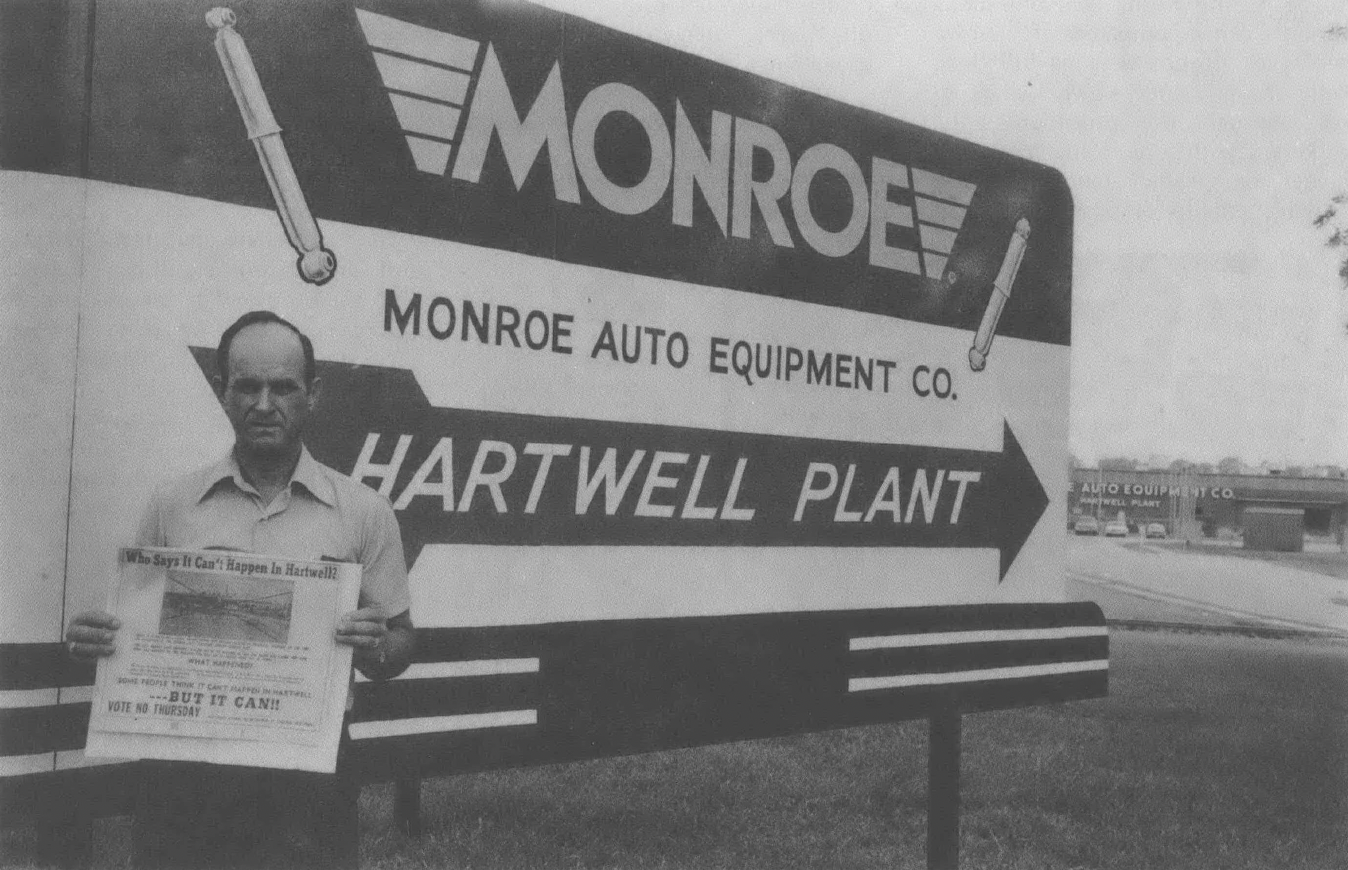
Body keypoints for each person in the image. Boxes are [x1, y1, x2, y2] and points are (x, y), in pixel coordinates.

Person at [65, 310, 415, 869]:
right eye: (247, 386)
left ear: (313, 394)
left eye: (283, 387)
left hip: (309, 776)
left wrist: (376, 642)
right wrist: (98, 639)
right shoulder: (171, 504)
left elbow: (401, 643)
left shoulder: (365, 513)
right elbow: (135, 630)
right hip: (185, 774)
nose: (263, 403)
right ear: (222, 391)